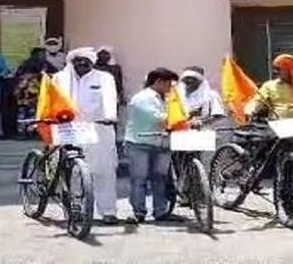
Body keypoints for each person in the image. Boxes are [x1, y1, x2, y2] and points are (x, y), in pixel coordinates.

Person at [245, 54, 293, 215]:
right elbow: (257, 101)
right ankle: (286, 206)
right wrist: (250, 110)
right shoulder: (270, 86)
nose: (275, 72)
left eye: (279, 69)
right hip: (281, 129)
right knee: (284, 170)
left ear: (291, 69)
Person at [53, 47, 120, 225]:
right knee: (73, 171)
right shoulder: (60, 78)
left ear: (92, 63)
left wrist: (110, 116)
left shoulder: (104, 78)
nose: (82, 63)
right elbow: (53, 100)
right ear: (71, 62)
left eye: (86, 60)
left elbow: (110, 98)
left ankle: (108, 211)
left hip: (99, 128)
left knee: (104, 171)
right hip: (70, 129)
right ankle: (75, 209)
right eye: (77, 60)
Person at [125, 68, 180, 223]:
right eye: (169, 84)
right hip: (140, 144)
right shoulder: (143, 98)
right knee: (139, 179)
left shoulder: (167, 98)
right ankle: (138, 212)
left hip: (162, 143)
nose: (171, 88)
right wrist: (182, 120)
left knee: (160, 179)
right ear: (159, 82)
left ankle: (160, 211)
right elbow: (159, 119)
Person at [14, 48, 55, 137]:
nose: (43, 56)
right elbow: (20, 77)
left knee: (35, 113)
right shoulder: (27, 64)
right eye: (41, 54)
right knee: (24, 113)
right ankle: (22, 132)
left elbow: (54, 74)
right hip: (26, 93)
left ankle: (32, 131)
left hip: (39, 93)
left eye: (44, 54)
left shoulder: (46, 64)